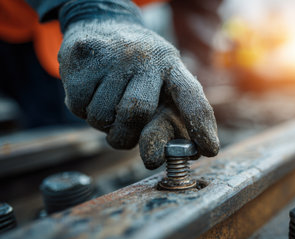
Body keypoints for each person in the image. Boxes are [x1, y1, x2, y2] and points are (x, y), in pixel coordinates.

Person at [0, 0, 220, 169]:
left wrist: (195, 56)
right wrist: (93, 7)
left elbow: (198, 7)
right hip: (39, 23)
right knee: (70, 147)